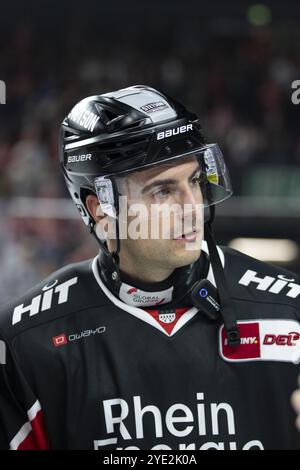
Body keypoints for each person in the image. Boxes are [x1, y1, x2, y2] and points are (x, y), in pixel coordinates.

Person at [0, 85, 300, 451]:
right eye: (162, 191)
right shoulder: (25, 343)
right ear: (100, 210)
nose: (193, 207)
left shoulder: (289, 311)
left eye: (194, 181)